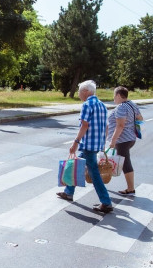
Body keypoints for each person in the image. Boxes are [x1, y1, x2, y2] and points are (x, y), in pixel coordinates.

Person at [57, 80, 114, 214]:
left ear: (86, 91)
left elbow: (84, 125)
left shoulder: (87, 105)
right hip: (96, 144)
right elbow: (106, 126)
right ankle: (68, 192)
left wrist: (75, 142)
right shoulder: (102, 105)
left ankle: (106, 202)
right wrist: (102, 143)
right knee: (76, 164)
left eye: (79, 91)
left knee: (94, 173)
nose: (78, 94)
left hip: (88, 144)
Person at [106, 86, 142, 196]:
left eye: (114, 95)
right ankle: (130, 187)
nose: (113, 98)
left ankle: (130, 188)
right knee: (125, 161)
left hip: (122, 140)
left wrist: (113, 141)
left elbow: (120, 125)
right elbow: (140, 118)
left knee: (125, 163)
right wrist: (130, 126)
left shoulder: (121, 107)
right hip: (131, 138)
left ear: (118, 95)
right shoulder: (132, 104)